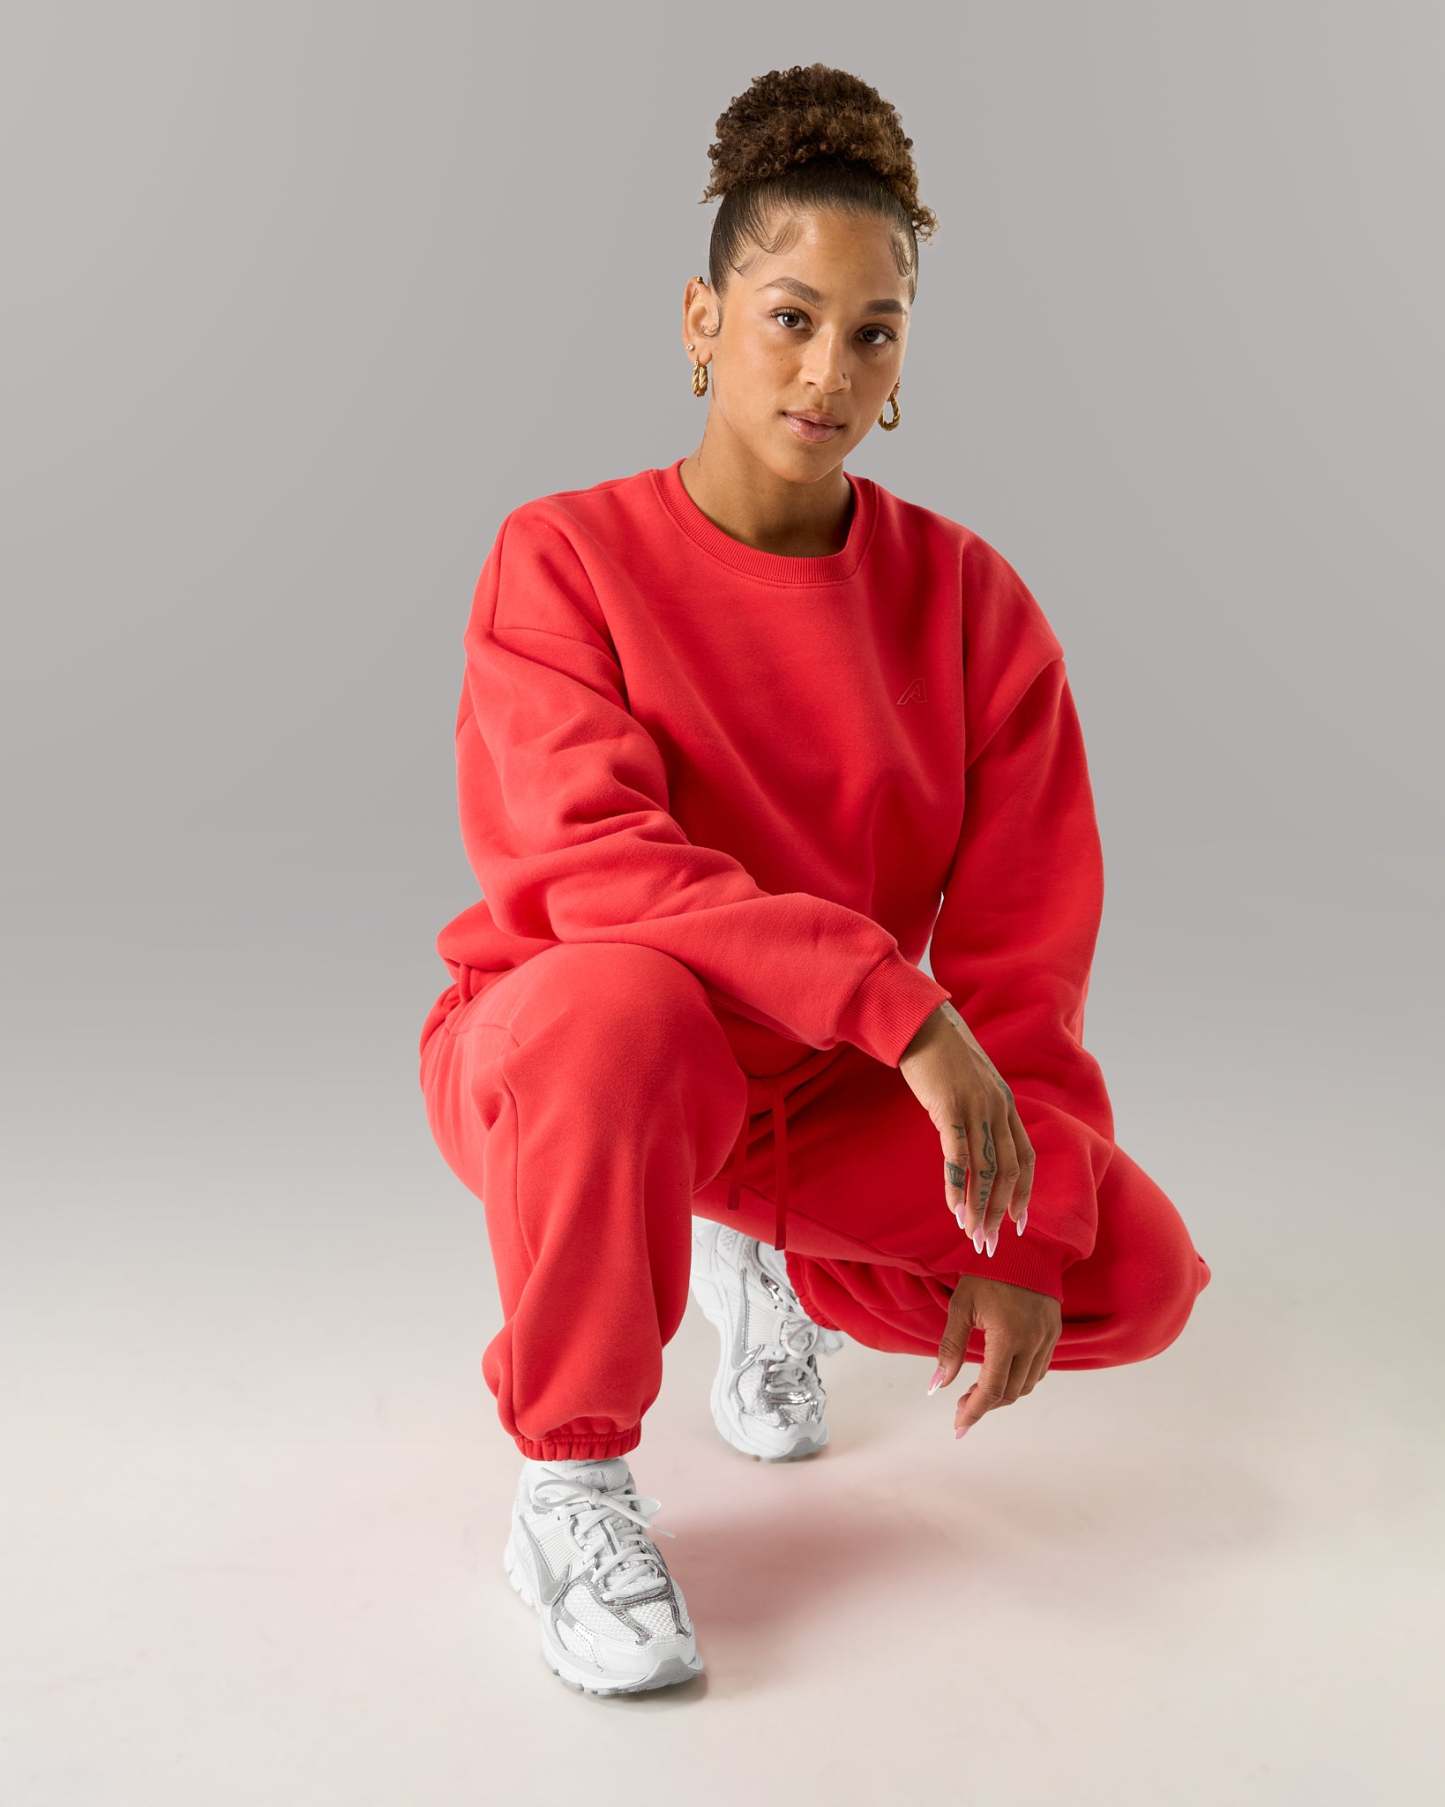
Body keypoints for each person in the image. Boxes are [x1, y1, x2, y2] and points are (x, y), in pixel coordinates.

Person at [417, 62, 1212, 1697]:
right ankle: (571, 1485)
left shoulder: (971, 605)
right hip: (580, 1052)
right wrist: (903, 1016)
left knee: (1116, 1271)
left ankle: (746, 1248)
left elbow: (1025, 952)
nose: (827, 371)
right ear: (702, 320)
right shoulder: (562, 558)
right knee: (618, 1010)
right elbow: (592, 868)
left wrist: (1019, 1213)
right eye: (788, 318)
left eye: (873, 331)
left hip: (828, 1084)